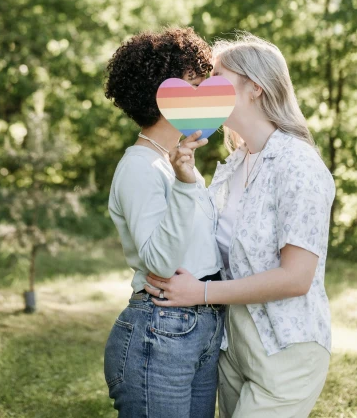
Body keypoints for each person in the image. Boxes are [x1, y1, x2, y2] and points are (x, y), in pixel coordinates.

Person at [143, 33, 336, 418]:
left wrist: (200, 293)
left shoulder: (299, 165)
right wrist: (185, 180)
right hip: (232, 346)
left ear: (255, 88)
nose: (203, 86)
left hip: (287, 347)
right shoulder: (234, 165)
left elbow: (296, 278)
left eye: (217, 75)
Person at [103, 27, 226, 418]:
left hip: (201, 326)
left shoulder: (173, 161)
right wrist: (186, 186)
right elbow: (158, 262)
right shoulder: (139, 168)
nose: (208, 94)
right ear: (162, 95)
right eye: (196, 85)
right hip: (161, 330)